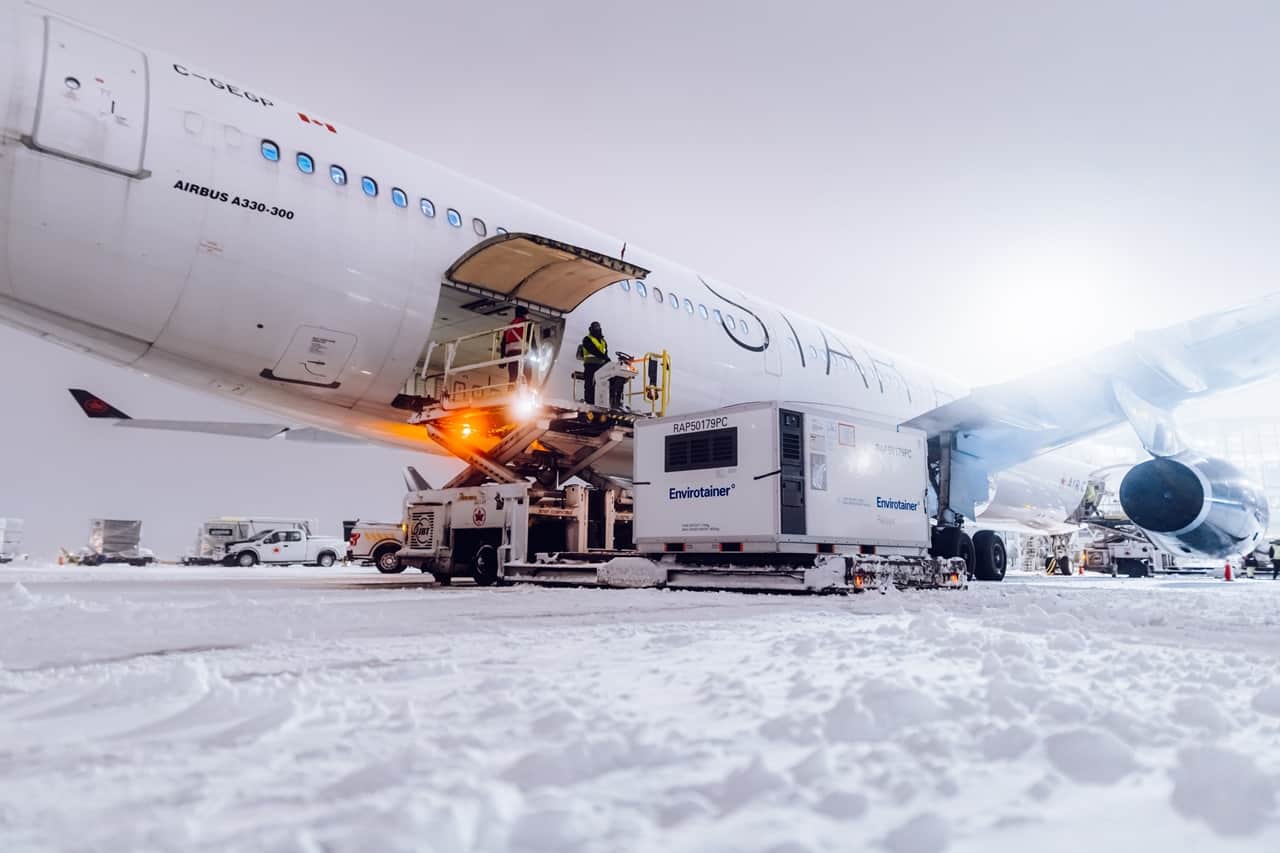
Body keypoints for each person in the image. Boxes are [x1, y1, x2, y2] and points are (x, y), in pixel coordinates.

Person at [578, 321, 608, 405]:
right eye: (595, 327)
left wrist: (610, 362)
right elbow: (593, 349)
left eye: (598, 327)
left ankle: (599, 401)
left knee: (600, 384)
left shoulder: (603, 341)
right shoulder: (587, 339)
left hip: (601, 366)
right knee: (589, 384)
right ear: (591, 329)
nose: (597, 329)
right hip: (590, 365)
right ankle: (589, 402)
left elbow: (605, 355)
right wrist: (603, 356)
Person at [503, 306, 528, 385]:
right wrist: (537, 352)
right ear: (523, 314)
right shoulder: (526, 324)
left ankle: (511, 391)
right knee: (526, 374)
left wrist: (502, 360)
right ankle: (527, 391)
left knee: (512, 375)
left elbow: (503, 343)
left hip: (511, 354)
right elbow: (531, 339)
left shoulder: (509, 326)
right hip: (522, 353)